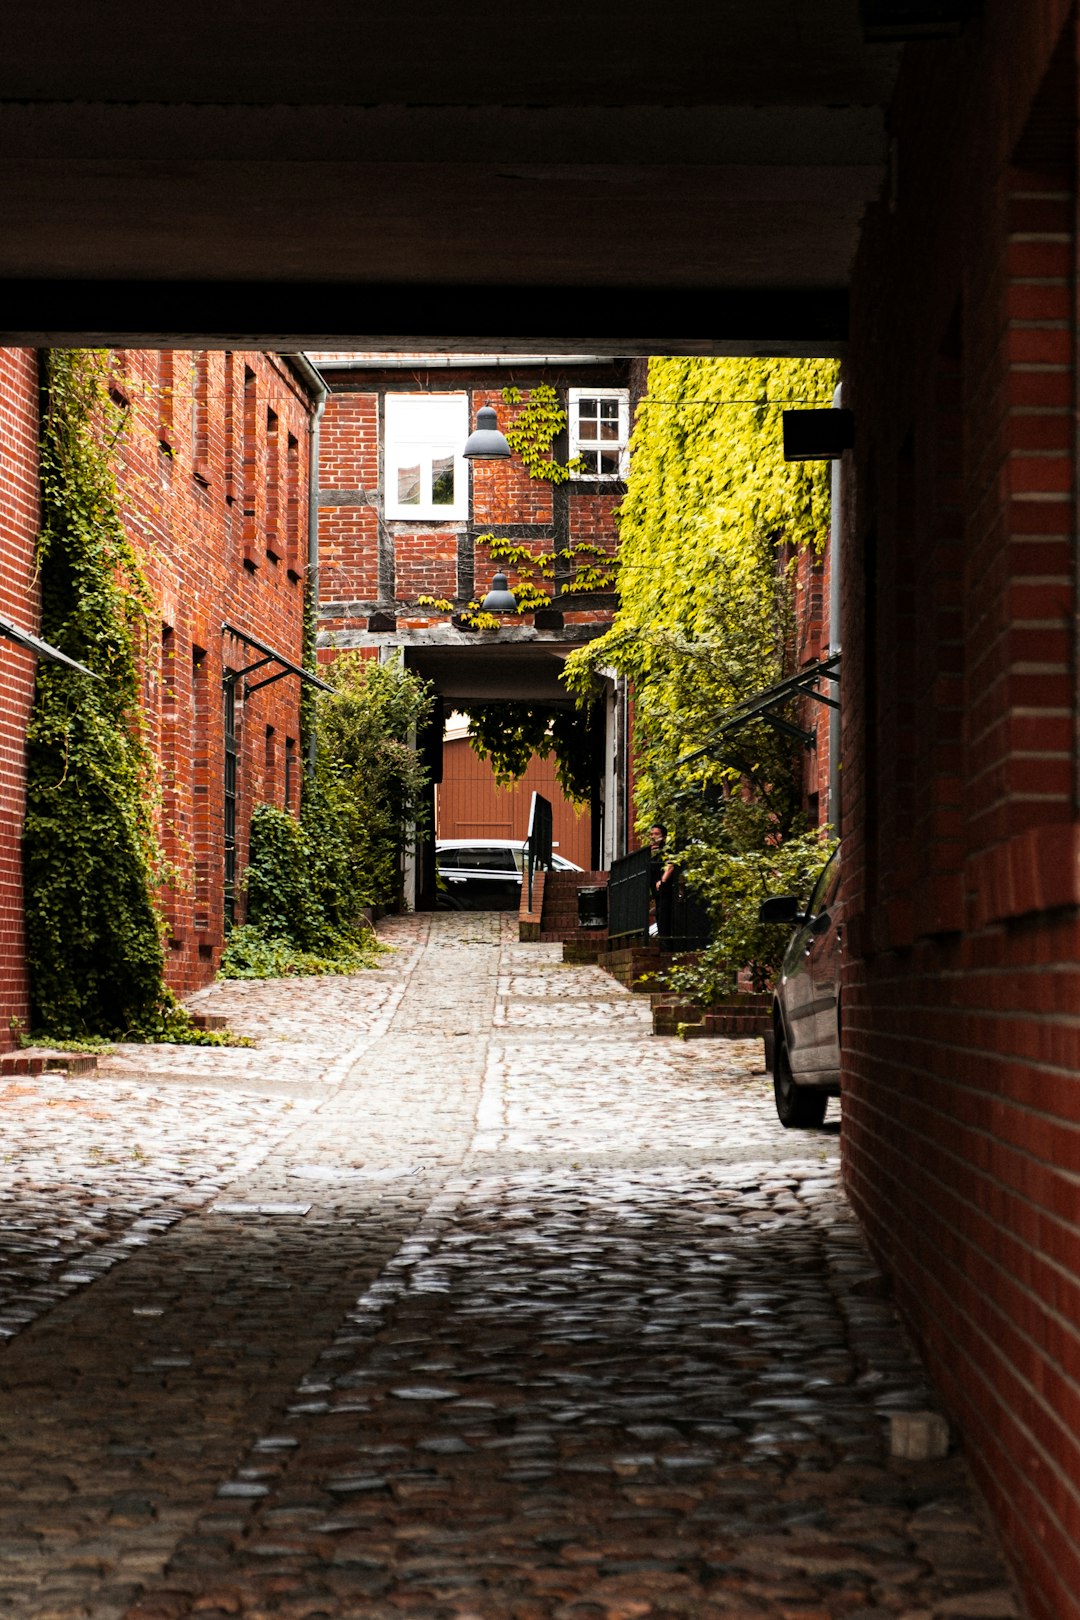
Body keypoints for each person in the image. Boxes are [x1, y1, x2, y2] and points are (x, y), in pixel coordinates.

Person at [647, 823, 675, 940]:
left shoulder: (666, 851)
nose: (653, 836)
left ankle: (666, 944)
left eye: (657, 834)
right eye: (652, 834)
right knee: (658, 915)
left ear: (663, 836)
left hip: (664, 888)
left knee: (663, 916)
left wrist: (663, 880)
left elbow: (671, 864)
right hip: (655, 889)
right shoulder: (651, 852)